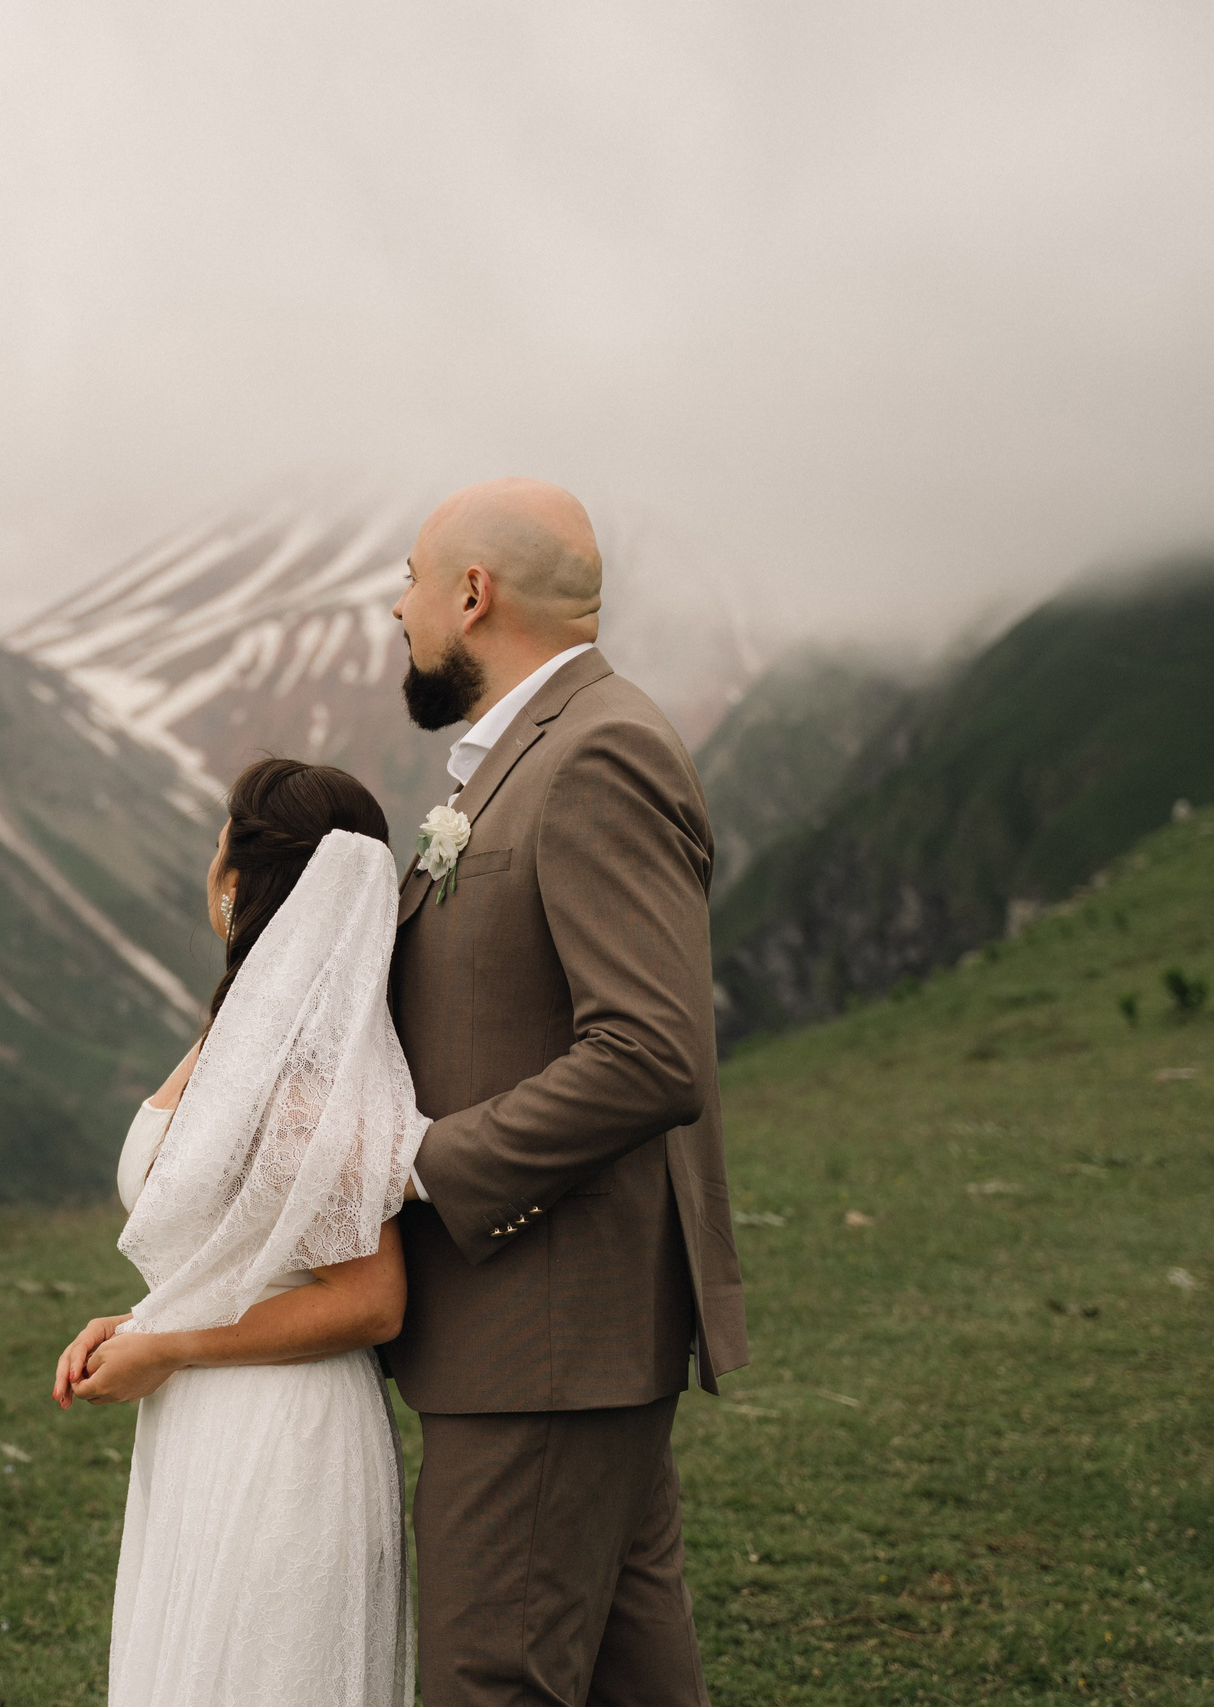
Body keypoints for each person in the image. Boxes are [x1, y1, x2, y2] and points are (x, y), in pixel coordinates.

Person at [386, 477, 747, 1706]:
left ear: (472, 595)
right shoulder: (531, 752)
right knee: (630, 1675)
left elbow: (651, 1052)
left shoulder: (599, 751)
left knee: (494, 1678)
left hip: (540, 1329)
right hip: (567, 1333)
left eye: (412, 582)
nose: (399, 607)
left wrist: (425, 1160)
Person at [52, 757, 427, 1707]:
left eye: (221, 831)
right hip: (206, 1417)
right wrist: (137, 1321)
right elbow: (239, 1244)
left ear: (240, 876)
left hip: (281, 1440)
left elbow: (371, 1300)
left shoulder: (309, 1072)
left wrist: (168, 1344)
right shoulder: (247, 1030)